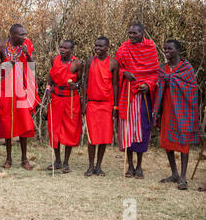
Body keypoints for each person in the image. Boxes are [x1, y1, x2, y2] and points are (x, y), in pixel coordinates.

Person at [153, 39, 200, 190]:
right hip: (167, 109)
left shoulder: (186, 68)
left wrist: (170, 79)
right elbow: (159, 87)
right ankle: (174, 173)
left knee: (183, 142)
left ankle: (183, 178)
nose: (166, 51)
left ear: (178, 50)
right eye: (165, 49)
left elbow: (192, 88)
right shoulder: (163, 68)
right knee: (167, 141)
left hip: (183, 110)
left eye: (170, 49)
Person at [0, 24, 41, 170]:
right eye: (21, 35)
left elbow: (32, 66)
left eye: (25, 34)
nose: (24, 37)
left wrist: (28, 55)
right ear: (12, 34)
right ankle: (8, 159)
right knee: (7, 123)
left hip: (21, 88)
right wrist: (6, 65)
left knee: (24, 123)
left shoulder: (26, 47)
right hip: (5, 89)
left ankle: (24, 159)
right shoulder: (1, 46)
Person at [115, 23, 159, 179]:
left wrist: (148, 85)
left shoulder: (150, 48)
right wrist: (125, 72)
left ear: (142, 33)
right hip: (127, 94)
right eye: (129, 33)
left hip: (143, 97)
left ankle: (139, 166)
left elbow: (155, 72)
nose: (131, 36)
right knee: (127, 130)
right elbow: (116, 68)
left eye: (134, 33)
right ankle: (130, 166)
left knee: (142, 130)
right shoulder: (123, 49)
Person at [82, 37, 119, 177]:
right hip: (92, 103)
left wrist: (115, 106)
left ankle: (99, 166)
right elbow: (85, 82)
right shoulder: (90, 61)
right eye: (96, 45)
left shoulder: (113, 63)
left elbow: (115, 85)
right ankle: (90, 166)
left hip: (107, 104)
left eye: (101, 46)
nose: (97, 48)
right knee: (91, 137)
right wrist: (84, 102)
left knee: (103, 137)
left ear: (107, 47)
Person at [47, 40, 83, 173]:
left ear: (72, 50)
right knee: (54, 128)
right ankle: (57, 161)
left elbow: (80, 80)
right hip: (56, 98)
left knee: (70, 129)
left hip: (71, 99)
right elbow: (51, 75)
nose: (62, 50)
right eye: (61, 47)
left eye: (66, 48)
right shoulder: (54, 59)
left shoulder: (77, 63)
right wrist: (48, 88)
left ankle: (66, 162)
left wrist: (77, 85)